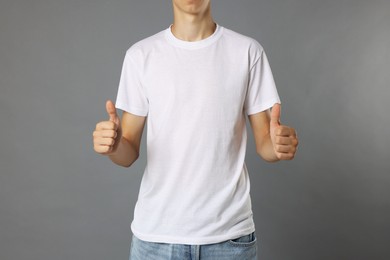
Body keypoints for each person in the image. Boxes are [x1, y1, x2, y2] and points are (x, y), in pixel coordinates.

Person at [92, 0, 298, 259]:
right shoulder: (141, 55)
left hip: (229, 239)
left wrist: (278, 145)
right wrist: (113, 146)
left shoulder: (247, 51)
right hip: (157, 239)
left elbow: (265, 143)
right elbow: (128, 150)